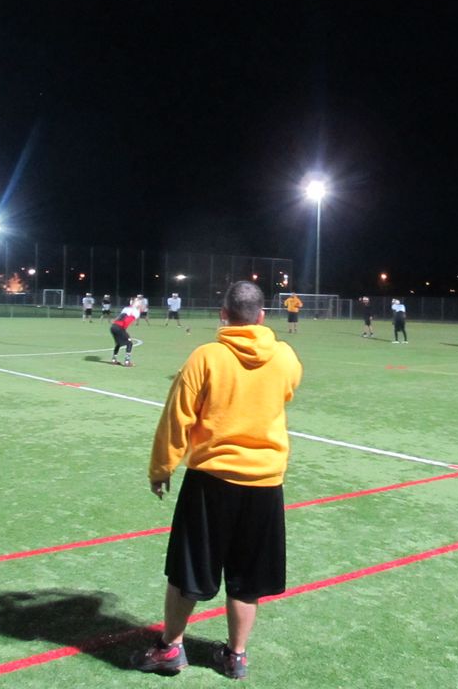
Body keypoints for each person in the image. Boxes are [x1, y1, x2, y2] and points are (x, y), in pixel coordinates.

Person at [133, 281, 302, 681]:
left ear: (223, 314)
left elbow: (177, 417)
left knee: (188, 571)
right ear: (262, 316)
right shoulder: (285, 356)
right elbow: (286, 393)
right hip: (265, 483)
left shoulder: (206, 356)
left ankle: (170, 648)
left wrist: (161, 467)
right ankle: (235, 656)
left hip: (212, 481)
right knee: (248, 578)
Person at [109, 297, 140, 366]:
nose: (139, 303)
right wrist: (123, 329)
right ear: (133, 302)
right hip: (119, 327)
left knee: (118, 343)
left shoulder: (126, 308)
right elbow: (127, 321)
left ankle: (114, 360)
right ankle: (127, 362)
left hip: (113, 327)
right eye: (137, 301)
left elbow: (120, 317)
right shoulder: (135, 311)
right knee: (129, 343)